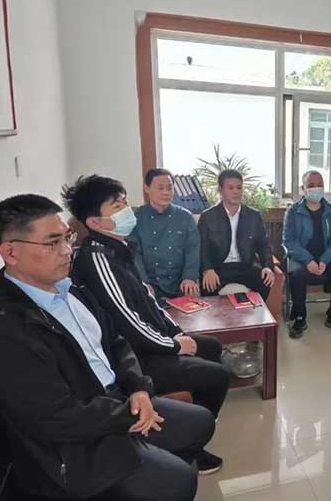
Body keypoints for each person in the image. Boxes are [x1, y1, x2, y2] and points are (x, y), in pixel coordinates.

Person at [0, 194, 215, 500]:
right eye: (52, 243)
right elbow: (57, 416)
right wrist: (129, 414)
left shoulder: (72, 286)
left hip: (118, 400)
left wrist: (139, 389)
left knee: (200, 423)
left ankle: (150, 458)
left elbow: (116, 341)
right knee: (179, 483)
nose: (67, 251)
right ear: (11, 252)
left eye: (67, 238)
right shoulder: (9, 324)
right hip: (72, 443)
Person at [63, 175, 228, 474]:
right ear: (95, 222)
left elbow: (148, 302)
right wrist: (174, 345)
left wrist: (176, 332)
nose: (127, 210)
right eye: (117, 207)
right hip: (135, 357)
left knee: (211, 347)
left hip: (152, 341)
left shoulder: (118, 249)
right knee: (216, 376)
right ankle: (190, 445)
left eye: (125, 203)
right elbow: (127, 322)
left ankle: (194, 428)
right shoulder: (97, 259)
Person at [282, 170, 331, 339]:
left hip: (325, 256)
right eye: (311, 185)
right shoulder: (293, 211)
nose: (316, 188)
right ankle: (299, 317)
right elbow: (289, 241)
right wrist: (308, 261)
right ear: (303, 188)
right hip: (301, 256)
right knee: (297, 274)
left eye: (320, 185)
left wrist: (325, 260)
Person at [198, 169, 275, 300]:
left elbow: (263, 246)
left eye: (239, 187)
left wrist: (268, 267)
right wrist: (207, 269)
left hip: (245, 266)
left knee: (264, 280)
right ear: (220, 190)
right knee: (208, 286)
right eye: (231, 188)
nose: (236, 191)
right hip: (219, 267)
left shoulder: (253, 215)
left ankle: (256, 312)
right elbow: (202, 248)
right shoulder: (208, 217)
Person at [129, 168, 200, 300]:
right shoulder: (136, 217)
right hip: (150, 284)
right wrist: (143, 282)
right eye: (160, 188)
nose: (165, 192)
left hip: (181, 283)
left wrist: (189, 277)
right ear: (146, 188)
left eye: (169, 188)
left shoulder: (185, 217)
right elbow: (135, 254)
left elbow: (192, 249)